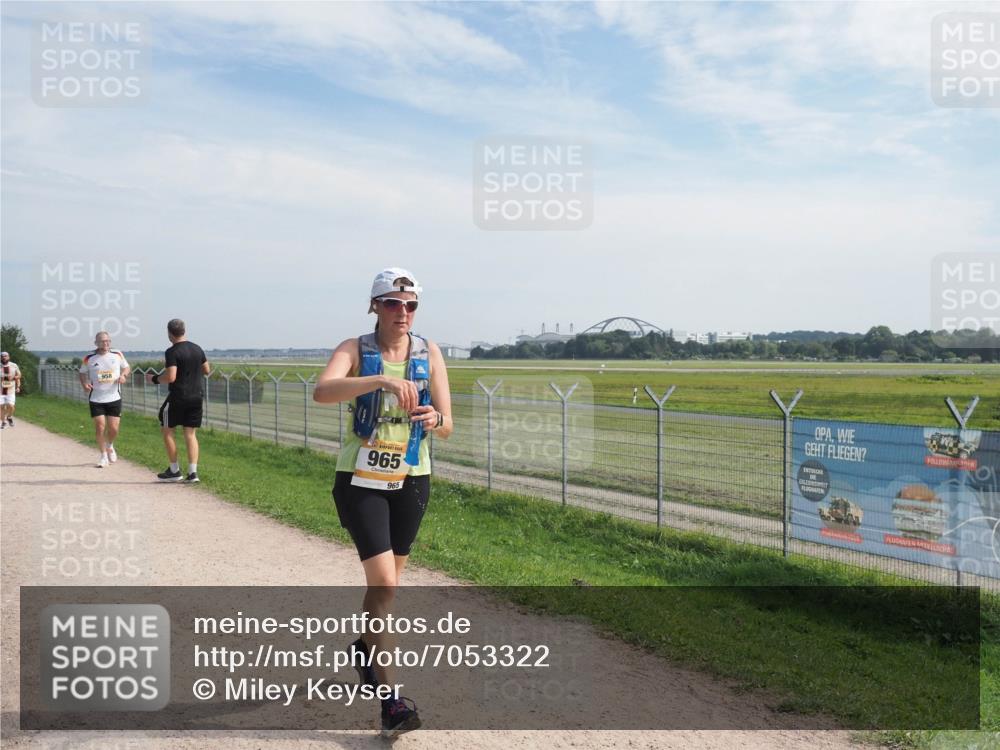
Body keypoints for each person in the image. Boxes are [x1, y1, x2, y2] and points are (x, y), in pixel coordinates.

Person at [313, 267, 452, 739]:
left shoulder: (429, 352)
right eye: (393, 303)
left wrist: (435, 417)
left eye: (411, 305)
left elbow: (449, 423)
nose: (403, 312)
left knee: (387, 592)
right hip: (360, 480)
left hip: (412, 479)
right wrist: (378, 383)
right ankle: (392, 702)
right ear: (375, 305)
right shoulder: (355, 350)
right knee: (385, 584)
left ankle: (366, 651)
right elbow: (322, 391)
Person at [146, 319, 210, 483]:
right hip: (197, 396)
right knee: (190, 434)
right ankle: (193, 473)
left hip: (178, 397)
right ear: (184, 330)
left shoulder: (172, 352)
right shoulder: (197, 348)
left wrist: (154, 379)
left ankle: (174, 470)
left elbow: (171, 376)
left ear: (169, 333)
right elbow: (207, 370)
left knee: (167, 429)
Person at [78, 332, 130, 467]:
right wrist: (84, 384)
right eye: (102, 341)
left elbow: (126, 367)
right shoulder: (89, 357)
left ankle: (110, 445)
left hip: (114, 396)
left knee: (113, 428)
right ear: (96, 343)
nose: (105, 344)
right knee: (100, 426)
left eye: (107, 341)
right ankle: (103, 456)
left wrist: (123, 376)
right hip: (96, 398)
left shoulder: (117, 354)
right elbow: (82, 372)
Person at [0, 351, 22, 429]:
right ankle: (3, 422)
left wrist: (18, 386)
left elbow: (19, 375)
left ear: (9, 357)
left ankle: (9, 417)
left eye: (5, 356)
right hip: (0, 391)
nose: (4, 358)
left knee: (11, 406)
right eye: (2, 356)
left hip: (11, 389)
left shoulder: (14, 365)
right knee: (1, 406)